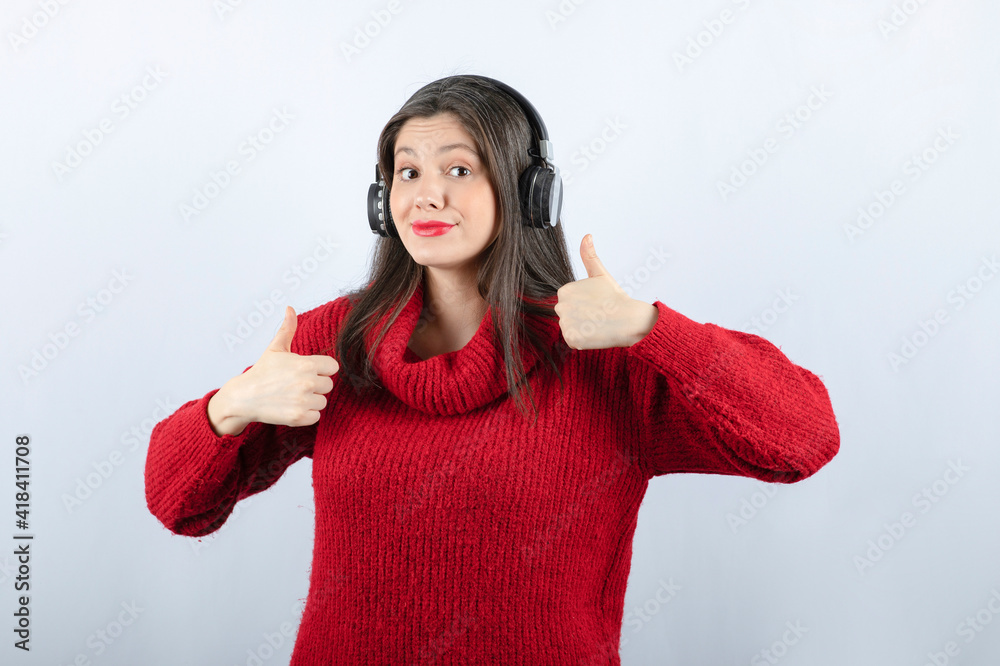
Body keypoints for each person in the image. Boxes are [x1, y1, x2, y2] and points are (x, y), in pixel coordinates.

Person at [144, 74, 840, 665]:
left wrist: (653, 330)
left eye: (458, 169)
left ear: (531, 192)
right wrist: (229, 408)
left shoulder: (602, 353)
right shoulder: (337, 341)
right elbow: (176, 504)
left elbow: (804, 439)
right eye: (407, 171)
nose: (426, 195)